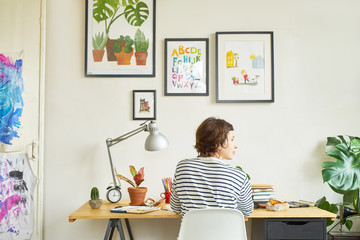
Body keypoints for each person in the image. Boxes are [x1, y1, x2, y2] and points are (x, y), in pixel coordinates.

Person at [170, 117, 254, 216]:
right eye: (231, 140)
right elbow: (246, 211)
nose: (235, 146)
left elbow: (175, 207)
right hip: (227, 231)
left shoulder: (182, 168)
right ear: (217, 144)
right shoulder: (238, 176)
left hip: (192, 231)